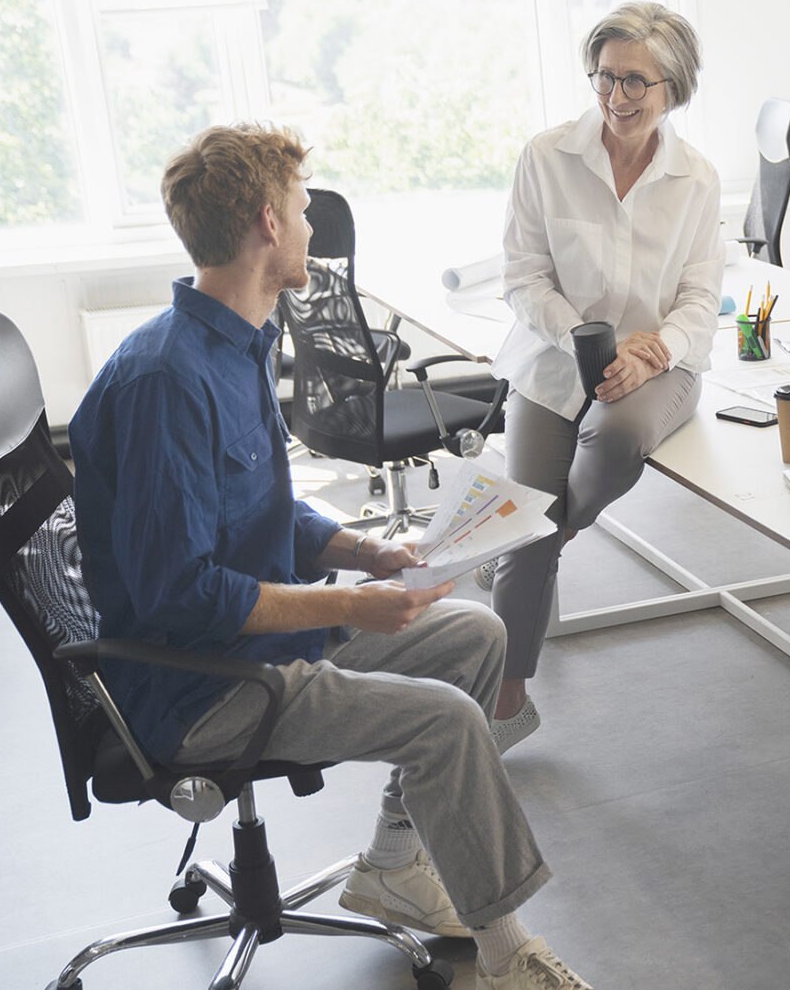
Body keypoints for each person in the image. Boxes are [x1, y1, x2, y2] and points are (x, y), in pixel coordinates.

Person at [69, 124, 589, 990]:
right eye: (305, 212)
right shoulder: (167, 381)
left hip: (255, 648)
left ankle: (393, 867)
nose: (313, 230)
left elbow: (263, 509)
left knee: (475, 636)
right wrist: (348, 605)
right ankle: (509, 957)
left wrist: (364, 553)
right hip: (203, 688)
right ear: (269, 225)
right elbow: (185, 595)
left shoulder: (236, 341)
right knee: (448, 721)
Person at [489, 1, 721, 750]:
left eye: (634, 82)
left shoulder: (697, 179)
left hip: (660, 365)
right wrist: (578, 339)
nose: (615, 97)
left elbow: (699, 297)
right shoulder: (547, 156)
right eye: (604, 77)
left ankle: (529, 553)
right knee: (528, 514)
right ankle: (506, 698)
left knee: (610, 449)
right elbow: (523, 276)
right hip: (555, 363)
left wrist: (655, 350)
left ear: (672, 88)